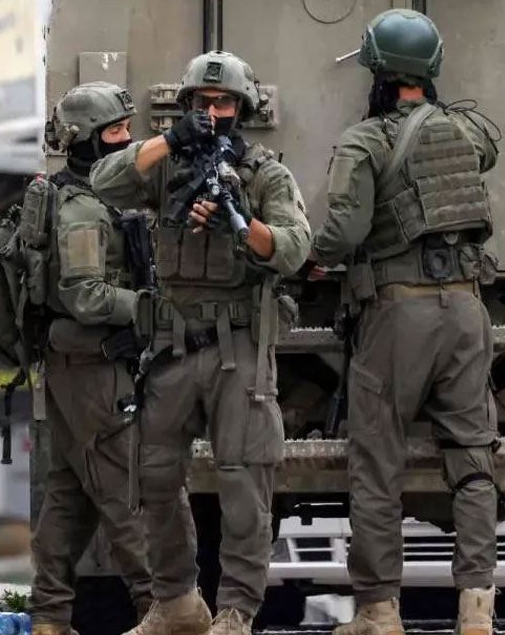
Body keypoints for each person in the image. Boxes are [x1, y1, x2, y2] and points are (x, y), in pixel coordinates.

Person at [91, 51, 312, 635]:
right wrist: (170, 140)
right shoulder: (167, 168)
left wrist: (242, 224)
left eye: (224, 103)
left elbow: (293, 248)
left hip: (238, 349)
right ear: (187, 106)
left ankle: (236, 611)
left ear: (243, 109)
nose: (213, 112)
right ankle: (177, 603)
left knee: (243, 483)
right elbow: (105, 181)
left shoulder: (264, 174)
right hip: (171, 348)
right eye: (203, 103)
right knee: (154, 476)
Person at [308, 9, 500, 635]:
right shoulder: (466, 132)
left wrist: (312, 257)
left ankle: (379, 610)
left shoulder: (364, 141)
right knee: (472, 461)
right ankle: (476, 609)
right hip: (466, 309)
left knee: (377, 466)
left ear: (377, 73)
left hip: (398, 314)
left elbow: (344, 232)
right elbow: (486, 148)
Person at [30, 81, 157, 635]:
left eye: (128, 129)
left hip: (75, 367)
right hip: (92, 370)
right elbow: (86, 295)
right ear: (83, 140)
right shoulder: (83, 210)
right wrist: (150, 308)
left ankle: (49, 615)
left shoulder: (92, 197)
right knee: (125, 490)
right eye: (115, 132)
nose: (126, 140)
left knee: (69, 494)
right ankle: (160, 608)